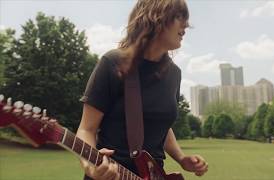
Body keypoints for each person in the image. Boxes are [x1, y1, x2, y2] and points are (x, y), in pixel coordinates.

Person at [76, 0, 208, 179]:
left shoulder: (174, 74)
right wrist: (90, 166)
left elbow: (161, 125)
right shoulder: (113, 62)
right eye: (179, 17)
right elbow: (87, 129)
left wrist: (181, 158)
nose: (186, 25)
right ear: (155, 18)